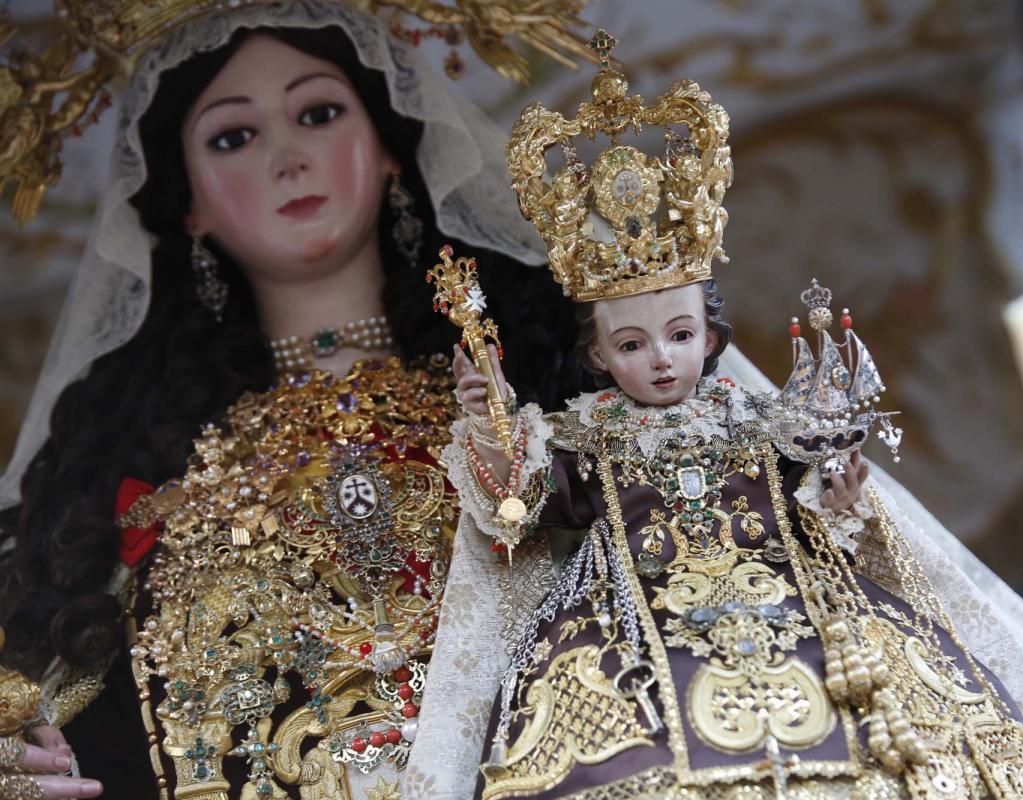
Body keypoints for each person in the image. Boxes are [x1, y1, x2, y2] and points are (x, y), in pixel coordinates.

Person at [433, 34, 1023, 800]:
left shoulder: (761, 420)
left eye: (681, 335)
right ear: (597, 358)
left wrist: (842, 497)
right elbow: (515, 508)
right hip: (630, 637)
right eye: (632, 343)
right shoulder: (585, 437)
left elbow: (819, 506)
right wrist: (491, 421)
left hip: (798, 613)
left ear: (712, 337)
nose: (662, 358)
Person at [0, 3, 589, 798]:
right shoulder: (151, 495)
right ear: (190, 203)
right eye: (233, 137)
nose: (288, 159)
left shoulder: (539, 402)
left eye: (318, 114)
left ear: (386, 146)